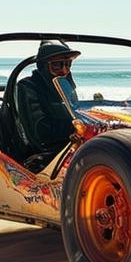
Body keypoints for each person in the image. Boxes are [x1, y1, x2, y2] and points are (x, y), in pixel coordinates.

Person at [16, 40, 80, 168]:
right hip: (47, 153)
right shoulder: (28, 87)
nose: (64, 70)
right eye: (57, 65)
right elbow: (41, 131)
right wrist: (77, 128)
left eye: (68, 64)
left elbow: (77, 113)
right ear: (43, 66)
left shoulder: (65, 85)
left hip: (71, 145)